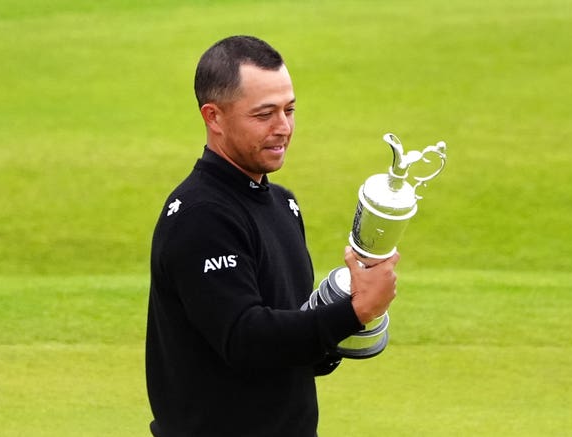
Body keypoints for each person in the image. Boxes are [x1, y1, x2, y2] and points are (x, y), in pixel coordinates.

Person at [145, 35, 400, 437]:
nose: (283, 128)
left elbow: (290, 344)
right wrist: (354, 312)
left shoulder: (282, 205)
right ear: (213, 116)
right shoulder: (201, 216)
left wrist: (342, 313)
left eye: (290, 109)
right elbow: (245, 340)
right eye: (264, 114)